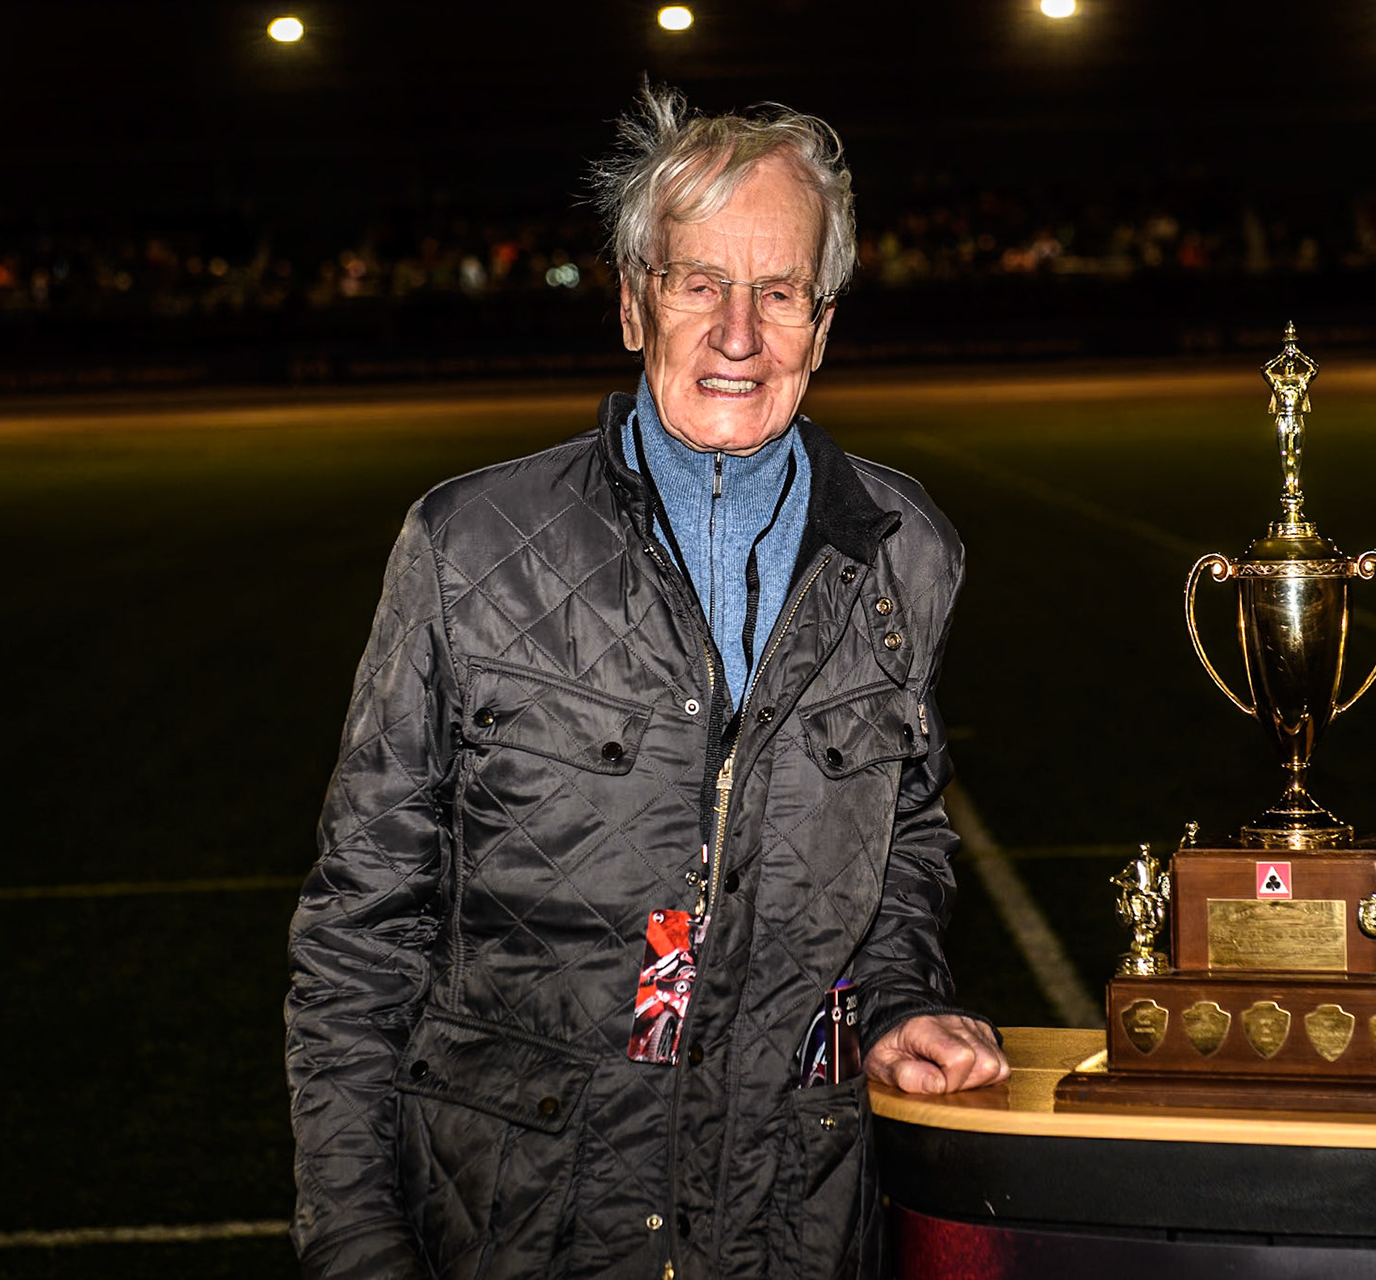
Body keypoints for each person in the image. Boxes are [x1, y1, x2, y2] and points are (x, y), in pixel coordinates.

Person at [284, 85, 1007, 1280]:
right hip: (516, 1226)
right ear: (632, 304)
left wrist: (892, 1004)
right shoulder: (468, 543)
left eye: (779, 291)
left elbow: (902, 846)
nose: (740, 332)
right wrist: (357, 1244)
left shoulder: (906, 548)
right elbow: (359, 935)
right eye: (698, 282)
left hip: (792, 1222)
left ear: (822, 326)